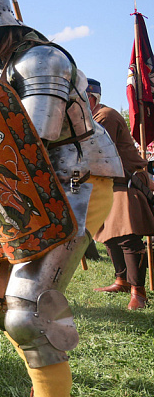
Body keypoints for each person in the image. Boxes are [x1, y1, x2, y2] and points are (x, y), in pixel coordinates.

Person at [0, 0, 122, 396]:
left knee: (26, 311)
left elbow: (35, 135)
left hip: (76, 178)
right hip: (23, 185)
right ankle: (43, 367)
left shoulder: (41, 60)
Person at [87, 78, 153, 310]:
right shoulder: (89, 118)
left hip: (125, 183)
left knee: (127, 237)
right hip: (108, 184)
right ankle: (122, 281)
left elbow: (93, 152)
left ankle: (139, 292)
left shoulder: (103, 116)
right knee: (109, 236)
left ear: (91, 97)